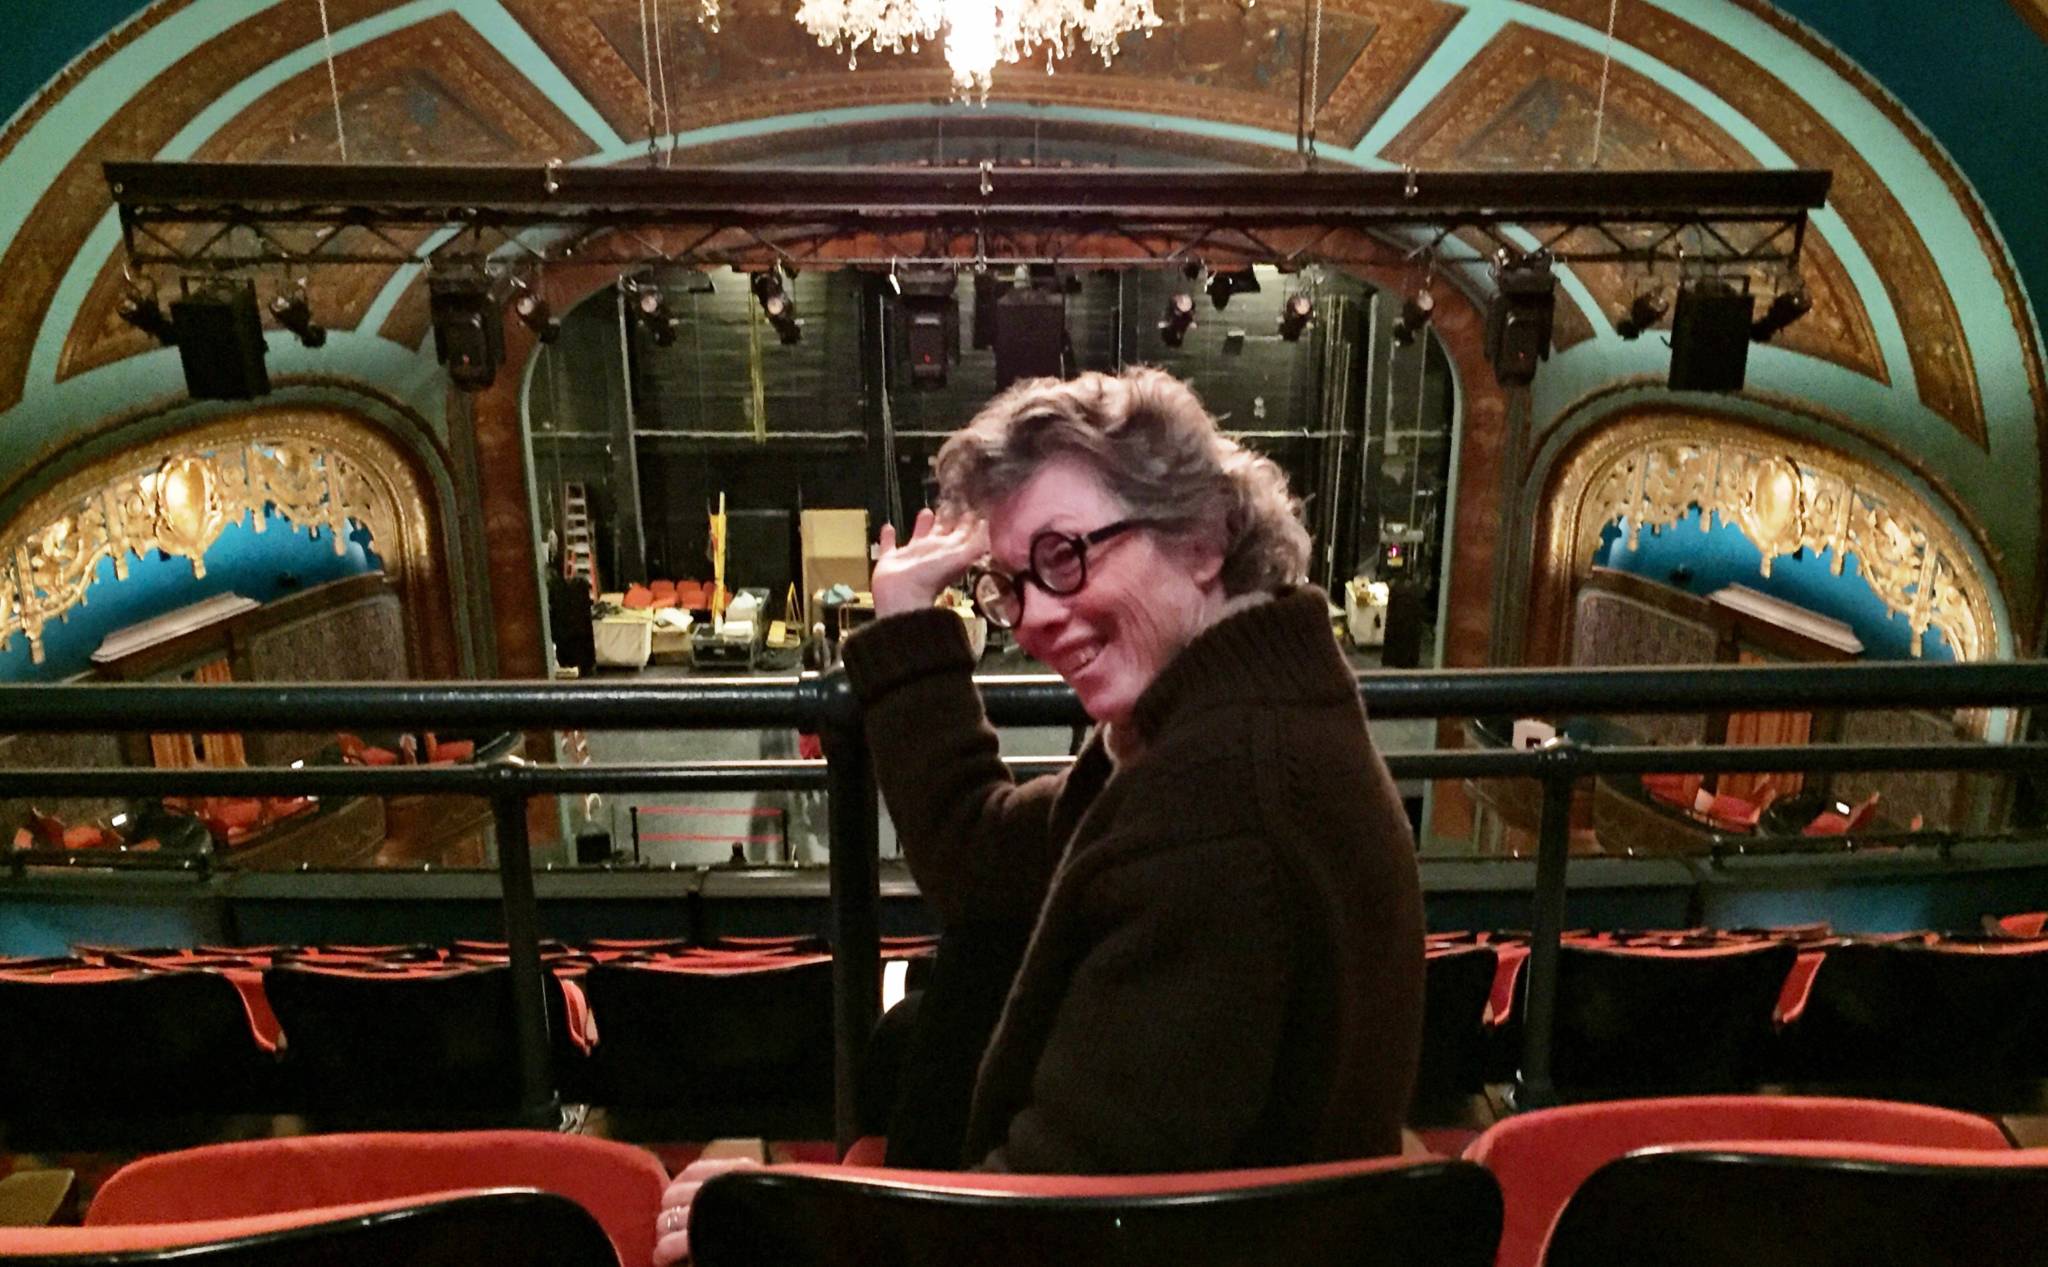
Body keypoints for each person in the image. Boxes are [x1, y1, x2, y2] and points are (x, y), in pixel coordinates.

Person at [654, 366, 1422, 1262]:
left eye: (1066, 557)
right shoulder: (1220, 725)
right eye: (1012, 584)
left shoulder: (1220, 817)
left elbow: (1045, 1229)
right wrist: (908, 620)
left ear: (1205, 536)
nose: (1030, 621)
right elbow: (981, 855)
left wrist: (787, 1215)